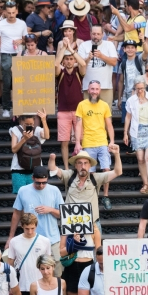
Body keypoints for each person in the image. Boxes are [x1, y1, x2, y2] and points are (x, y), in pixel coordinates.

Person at [5, 166, 64, 276]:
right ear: (32, 178)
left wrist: (50, 209)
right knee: (33, 273)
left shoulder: (54, 190)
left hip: (52, 239)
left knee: (56, 274)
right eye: (38, 183)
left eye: (44, 183)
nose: (41, 185)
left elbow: (63, 214)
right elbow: (16, 213)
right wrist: (11, 237)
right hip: (31, 239)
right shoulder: (23, 190)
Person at [48, 148, 122, 228]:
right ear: (75, 165)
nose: (83, 166)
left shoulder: (96, 178)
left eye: (85, 163)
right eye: (80, 163)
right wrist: (52, 159)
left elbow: (117, 172)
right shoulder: (69, 176)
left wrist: (117, 154)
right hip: (72, 223)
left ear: (90, 165)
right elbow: (53, 169)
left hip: (92, 223)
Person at [73, 80, 117, 211]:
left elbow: (109, 125)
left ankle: (106, 196)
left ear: (100, 90)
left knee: (106, 170)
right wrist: (77, 143)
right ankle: (92, 196)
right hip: (88, 143)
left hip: (102, 142)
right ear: (88, 90)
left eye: (96, 89)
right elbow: (78, 124)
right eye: (92, 89)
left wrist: (112, 141)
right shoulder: (82, 105)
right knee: (89, 172)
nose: (94, 91)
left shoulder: (104, 105)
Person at [0, 1, 28, 118]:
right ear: (5, 12)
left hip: (19, 54)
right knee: (6, 83)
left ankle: (20, 107)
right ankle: (6, 108)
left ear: (17, 11)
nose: (11, 15)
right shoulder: (0, 25)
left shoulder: (22, 24)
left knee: (20, 83)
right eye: (9, 13)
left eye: (13, 12)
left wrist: (21, 41)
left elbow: (26, 39)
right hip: (6, 54)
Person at [55, 42, 87, 170]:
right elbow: (56, 64)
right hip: (63, 111)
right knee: (64, 141)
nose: (69, 61)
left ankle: (81, 166)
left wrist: (71, 50)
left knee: (81, 140)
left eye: (71, 59)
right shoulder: (60, 72)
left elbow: (83, 63)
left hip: (78, 111)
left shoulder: (78, 72)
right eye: (67, 59)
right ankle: (67, 168)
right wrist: (63, 48)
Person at [60, 223, 101, 295]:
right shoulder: (67, 228)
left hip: (88, 267)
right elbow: (61, 252)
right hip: (72, 267)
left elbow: (99, 251)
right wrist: (74, 243)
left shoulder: (94, 229)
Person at [77, 25, 118, 111]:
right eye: (94, 34)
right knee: (88, 114)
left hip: (105, 86)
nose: (96, 36)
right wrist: (88, 58)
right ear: (90, 34)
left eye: (98, 34)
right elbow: (79, 65)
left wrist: (102, 56)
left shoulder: (109, 45)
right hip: (88, 88)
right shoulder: (84, 45)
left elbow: (114, 62)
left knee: (106, 115)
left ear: (103, 34)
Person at [9, 112, 49, 195]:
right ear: (21, 122)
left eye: (31, 124)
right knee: (21, 196)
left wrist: (44, 120)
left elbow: (46, 136)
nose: (29, 125)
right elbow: (14, 149)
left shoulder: (37, 130)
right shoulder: (15, 130)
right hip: (18, 169)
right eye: (26, 124)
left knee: (35, 195)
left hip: (35, 169)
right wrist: (24, 139)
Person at [117, 39, 145, 124]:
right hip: (127, 96)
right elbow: (121, 82)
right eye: (127, 47)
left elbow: (146, 51)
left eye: (132, 47)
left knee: (139, 120)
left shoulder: (139, 59)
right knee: (127, 121)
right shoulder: (123, 64)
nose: (130, 49)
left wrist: (143, 40)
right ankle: (127, 136)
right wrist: (119, 99)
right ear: (124, 49)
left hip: (139, 96)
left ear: (136, 50)